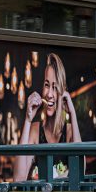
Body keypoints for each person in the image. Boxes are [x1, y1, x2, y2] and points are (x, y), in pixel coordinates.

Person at [15, 52, 83, 182]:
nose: (50, 94)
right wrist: (28, 120)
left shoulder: (69, 132)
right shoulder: (35, 131)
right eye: (46, 85)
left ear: (62, 92)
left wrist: (72, 114)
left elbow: (79, 174)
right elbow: (18, 178)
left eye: (55, 87)